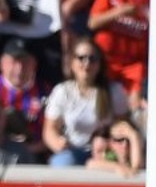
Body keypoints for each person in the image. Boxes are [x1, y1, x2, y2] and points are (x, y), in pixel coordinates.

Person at [43, 36, 127, 166]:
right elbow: (49, 129)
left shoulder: (114, 91)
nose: (87, 63)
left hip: (105, 151)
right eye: (81, 58)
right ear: (72, 62)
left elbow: (123, 126)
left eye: (92, 59)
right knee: (61, 164)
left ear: (99, 64)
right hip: (71, 150)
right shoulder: (62, 91)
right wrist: (57, 142)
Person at [87, 0, 149, 107]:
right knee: (101, 102)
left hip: (134, 64)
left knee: (135, 104)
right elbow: (92, 23)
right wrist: (118, 12)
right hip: (107, 60)